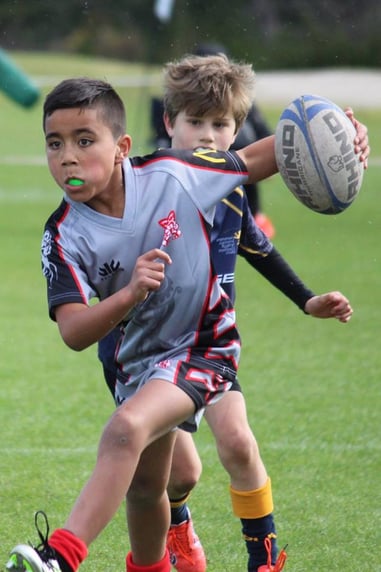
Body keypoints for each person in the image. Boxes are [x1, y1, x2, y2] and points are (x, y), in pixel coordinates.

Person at [6, 57, 369, 572]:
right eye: (55, 143)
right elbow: (73, 332)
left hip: (205, 347)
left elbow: (274, 153)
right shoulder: (62, 234)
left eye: (85, 141)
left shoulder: (177, 175)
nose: (67, 157)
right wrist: (129, 294)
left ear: (122, 149)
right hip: (139, 364)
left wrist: (339, 133)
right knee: (148, 486)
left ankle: (60, 557)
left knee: (126, 431)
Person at [150, 42, 276, 238]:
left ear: (236, 130)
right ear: (170, 122)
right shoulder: (147, 183)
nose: (207, 136)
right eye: (195, 122)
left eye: (219, 125)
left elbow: (262, 254)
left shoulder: (233, 193)